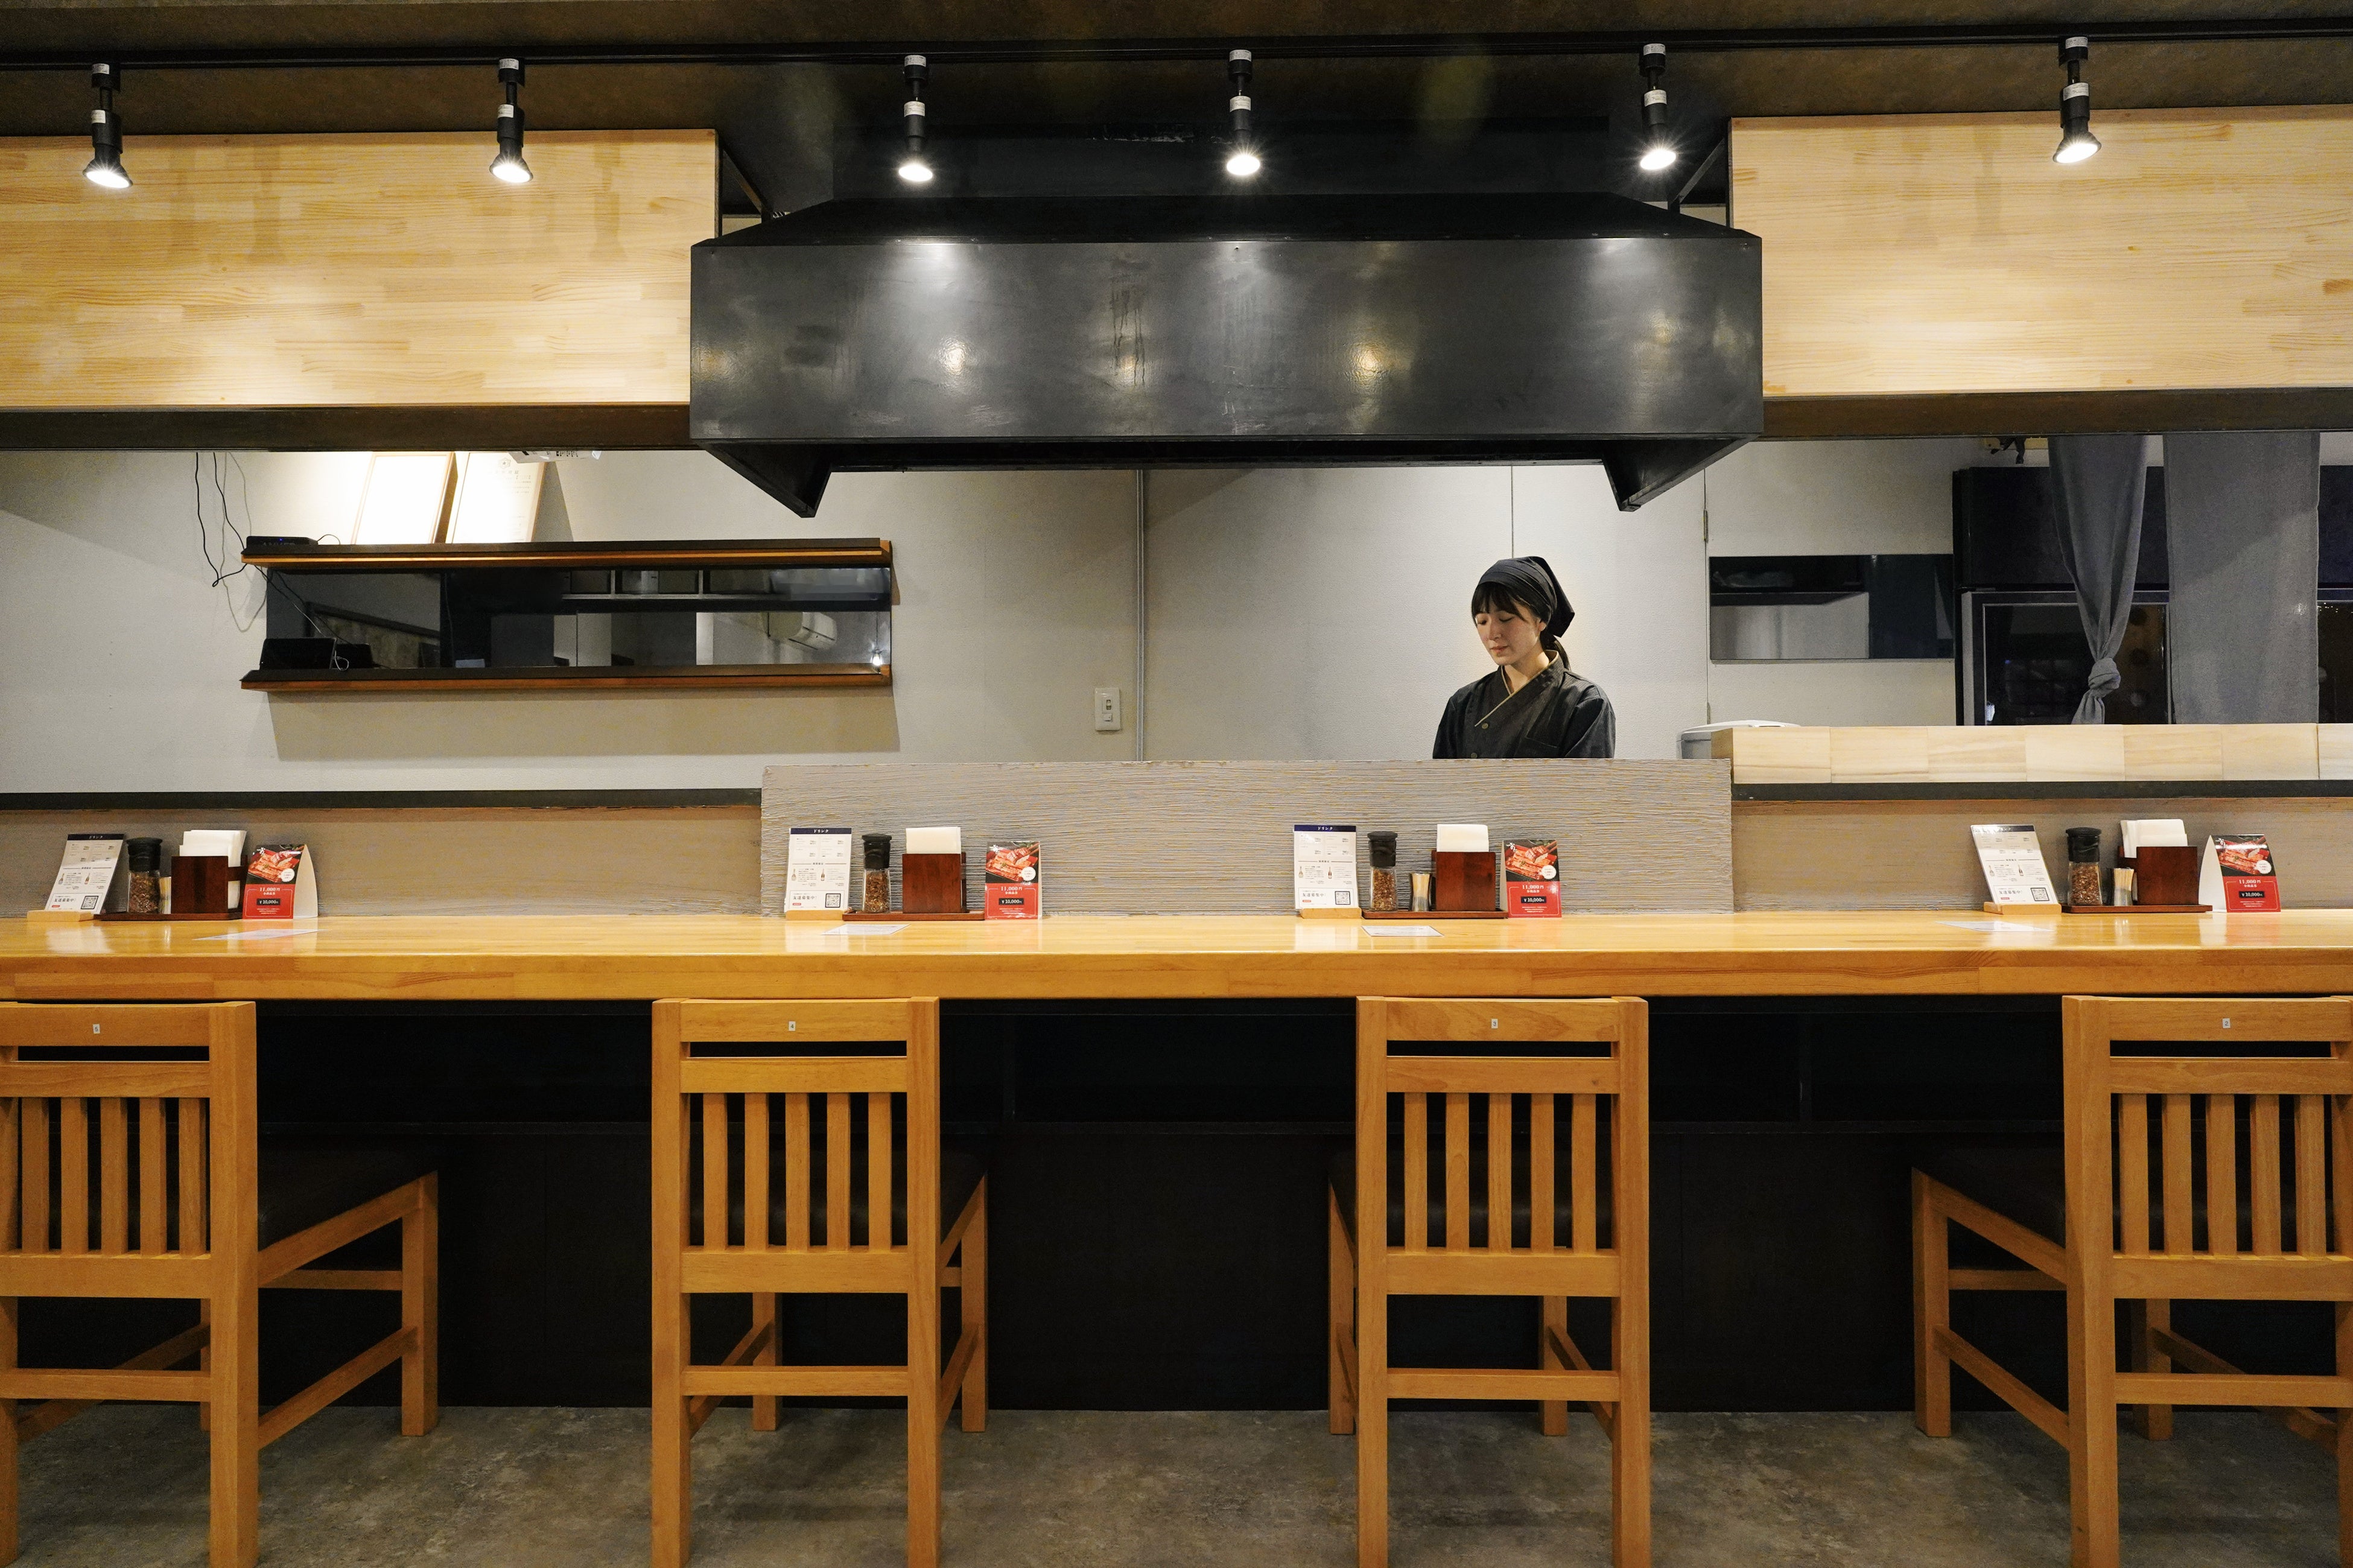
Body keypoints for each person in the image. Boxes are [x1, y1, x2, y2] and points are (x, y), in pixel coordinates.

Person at [1432, 556, 1616, 758]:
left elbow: (1584, 780)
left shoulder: (1586, 702)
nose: (1492, 634)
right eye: (1482, 621)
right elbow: (1443, 779)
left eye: (1505, 619)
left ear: (1541, 620)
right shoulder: (1463, 704)